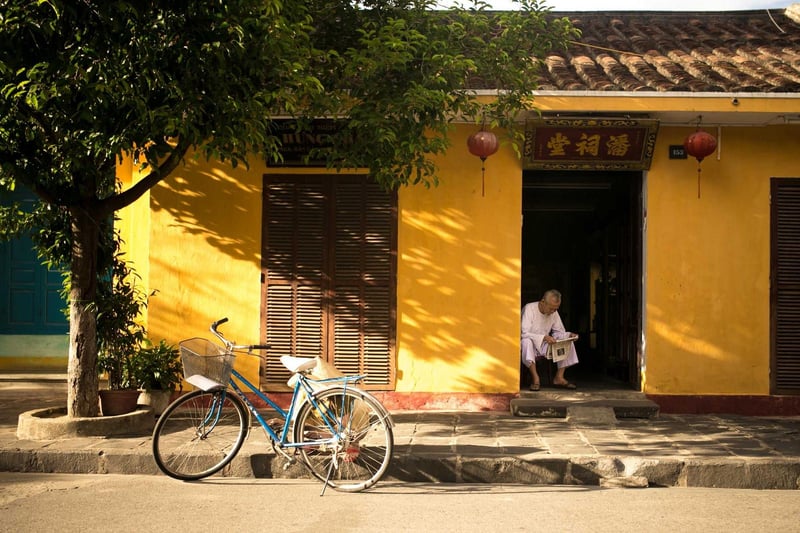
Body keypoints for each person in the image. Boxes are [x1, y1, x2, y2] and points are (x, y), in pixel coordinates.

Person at [520, 289, 578, 391]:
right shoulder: (529, 308)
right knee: (526, 342)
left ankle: (559, 377)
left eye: (556, 309)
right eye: (551, 308)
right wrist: (544, 337)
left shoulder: (554, 312)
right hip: (530, 344)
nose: (553, 312)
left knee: (568, 341)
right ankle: (535, 378)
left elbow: (558, 332)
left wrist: (569, 335)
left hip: (544, 345)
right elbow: (524, 333)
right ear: (543, 302)